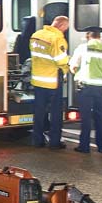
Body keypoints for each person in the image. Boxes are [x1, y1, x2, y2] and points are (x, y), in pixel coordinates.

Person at [69, 26, 102, 153]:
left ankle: (84, 146)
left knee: (86, 117)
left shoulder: (83, 48)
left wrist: (77, 72)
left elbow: (73, 67)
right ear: (99, 36)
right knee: (101, 117)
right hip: (101, 88)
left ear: (89, 35)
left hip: (86, 87)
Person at [29, 15, 70, 150]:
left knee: (39, 111)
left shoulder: (36, 35)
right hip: (52, 80)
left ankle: (37, 140)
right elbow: (61, 60)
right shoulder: (57, 39)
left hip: (38, 79)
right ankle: (54, 142)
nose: (65, 31)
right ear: (62, 26)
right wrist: (69, 64)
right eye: (66, 28)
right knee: (56, 112)